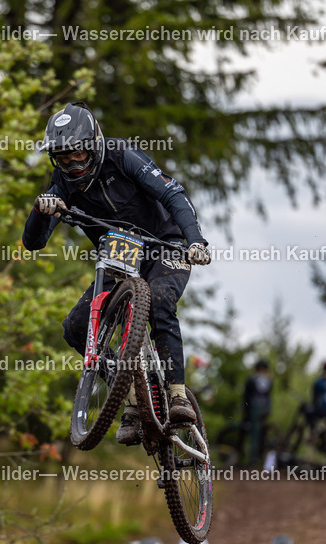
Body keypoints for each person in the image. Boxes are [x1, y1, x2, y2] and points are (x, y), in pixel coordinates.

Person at [23, 102, 211, 445]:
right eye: (63, 159)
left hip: (164, 245)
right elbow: (33, 243)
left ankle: (177, 394)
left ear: (94, 145)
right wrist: (40, 210)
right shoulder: (61, 184)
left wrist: (195, 241)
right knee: (75, 327)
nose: (73, 165)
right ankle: (130, 393)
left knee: (160, 300)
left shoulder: (122, 156)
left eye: (78, 155)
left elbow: (173, 194)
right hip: (118, 257)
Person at [241, 359, 273, 465]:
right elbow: (269, 395)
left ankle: (253, 459)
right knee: (262, 432)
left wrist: (245, 411)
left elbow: (246, 396)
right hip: (265, 408)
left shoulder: (252, 379)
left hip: (254, 408)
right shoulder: (269, 380)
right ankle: (260, 456)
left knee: (254, 433)